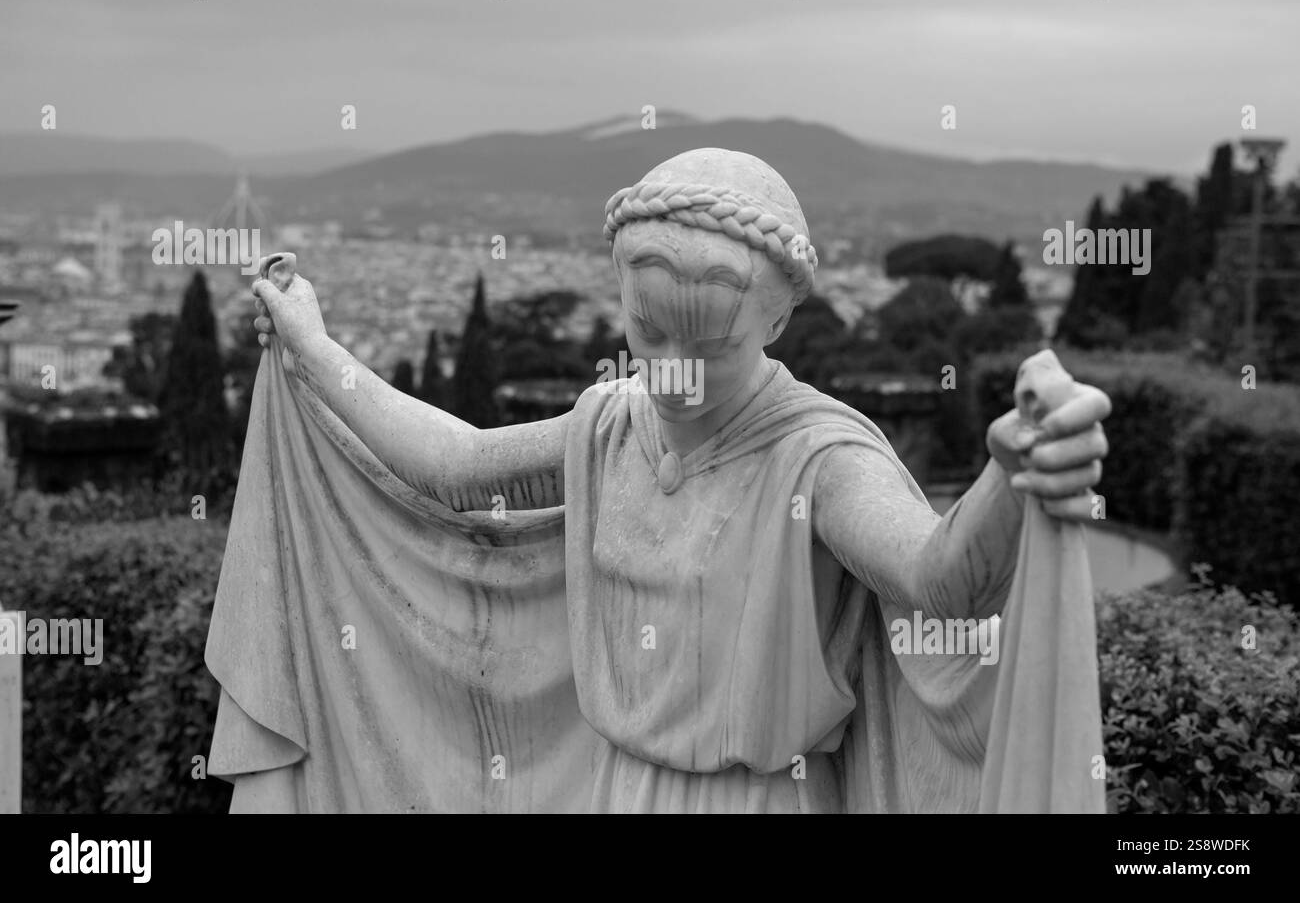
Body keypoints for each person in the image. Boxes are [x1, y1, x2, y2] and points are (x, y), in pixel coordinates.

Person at [239, 147, 1110, 812]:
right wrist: (314, 348)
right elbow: (459, 465)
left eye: (710, 343)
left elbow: (938, 579)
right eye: (651, 331)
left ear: (777, 318)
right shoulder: (610, 427)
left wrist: (1016, 473)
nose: (673, 371)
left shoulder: (816, 459)